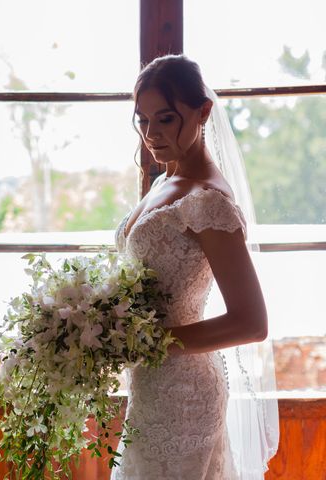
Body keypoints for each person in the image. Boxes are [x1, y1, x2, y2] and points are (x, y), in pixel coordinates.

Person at [111, 54, 278, 479]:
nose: (151, 134)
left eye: (166, 119)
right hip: (149, 386)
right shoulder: (163, 182)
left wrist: (151, 343)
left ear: (203, 112)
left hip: (185, 395)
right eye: (143, 121)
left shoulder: (207, 201)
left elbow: (251, 323)